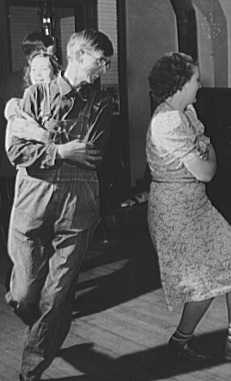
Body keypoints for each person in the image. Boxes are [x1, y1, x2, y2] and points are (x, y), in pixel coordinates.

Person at [4, 29, 114, 381]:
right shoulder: (34, 95)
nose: (104, 69)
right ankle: (50, 329)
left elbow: (92, 154)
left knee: (56, 294)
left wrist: (40, 133)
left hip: (78, 203)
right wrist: (62, 150)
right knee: (23, 296)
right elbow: (15, 151)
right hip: (32, 201)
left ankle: (30, 371)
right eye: (101, 61)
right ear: (79, 56)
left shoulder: (102, 104)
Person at [147, 52, 231, 367]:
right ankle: (179, 342)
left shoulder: (186, 111)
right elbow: (207, 171)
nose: (200, 84)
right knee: (203, 285)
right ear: (180, 83)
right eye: (196, 79)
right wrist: (208, 150)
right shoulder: (168, 120)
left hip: (196, 203)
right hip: (174, 210)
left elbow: (204, 155)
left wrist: (206, 149)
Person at [1, 35, 59, 292]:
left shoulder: (56, 88)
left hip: (42, 168)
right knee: (19, 232)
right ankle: (20, 282)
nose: (51, 59)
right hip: (17, 166)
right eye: (48, 53)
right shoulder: (16, 85)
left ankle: (30, 282)